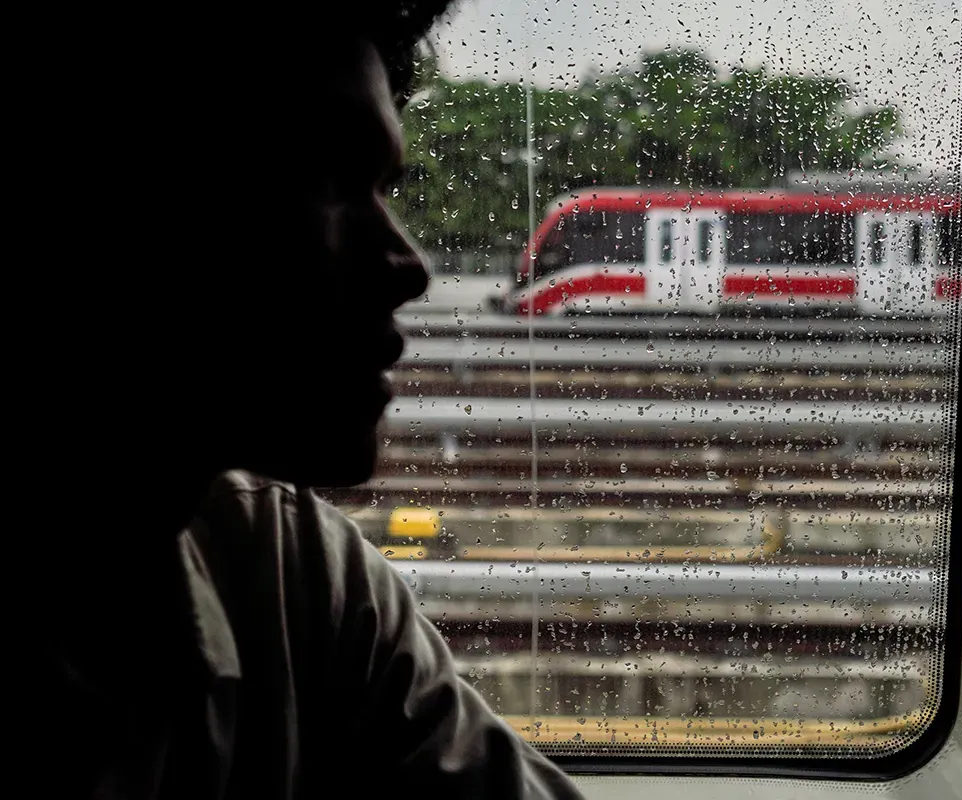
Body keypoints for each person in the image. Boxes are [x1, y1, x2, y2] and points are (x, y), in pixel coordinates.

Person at [40, 3, 587, 797]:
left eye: (380, 185)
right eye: (325, 179)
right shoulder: (294, 595)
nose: (409, 264)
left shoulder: (307, 585)